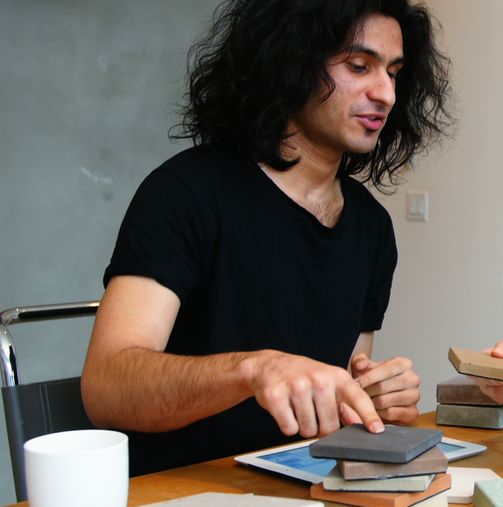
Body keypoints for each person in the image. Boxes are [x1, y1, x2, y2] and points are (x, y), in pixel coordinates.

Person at [81, 0, 452, 474]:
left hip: (302, 496)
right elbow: (105, 387)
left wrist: (372, 399)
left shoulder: (372, 227)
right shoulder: (185, 193)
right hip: (178, 500)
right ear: (291, 62)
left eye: (394, 73)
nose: (385, 94)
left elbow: (331, 407)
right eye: (359, 66)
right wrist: (253, 370)